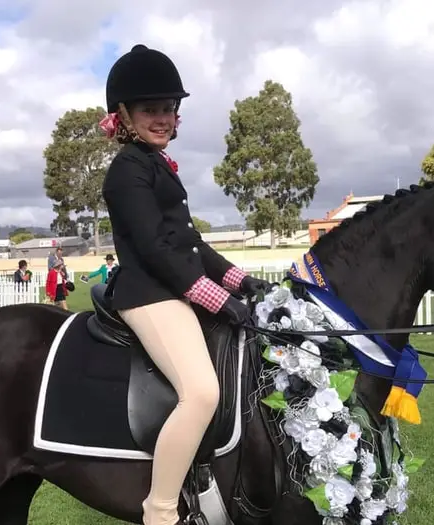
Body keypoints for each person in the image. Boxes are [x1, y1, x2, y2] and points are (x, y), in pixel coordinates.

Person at [99, 44, 270, 525]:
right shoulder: (127, 170)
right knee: (201, 393)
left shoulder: (158, 166)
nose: (163, 117)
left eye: (169, 108)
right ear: (125, 115)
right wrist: (217, 298)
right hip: (147, 293)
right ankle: (162, 510)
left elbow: (190, 244)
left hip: (172, 288)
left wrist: (241, 281)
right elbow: (156, 249)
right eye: (151, 108)